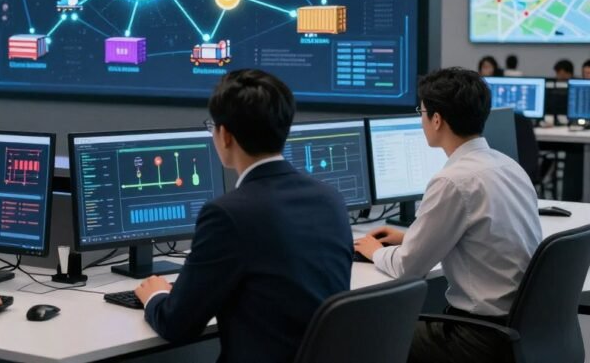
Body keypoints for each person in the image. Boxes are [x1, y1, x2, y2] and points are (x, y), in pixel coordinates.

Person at [133, 69, 352, 362]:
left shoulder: (228, 215)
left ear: (224, 135)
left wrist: (155, 296)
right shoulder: (331, 198)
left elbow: (177, 324)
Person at [355, 67, 542, 363]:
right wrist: (410, 237)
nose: (421, 119)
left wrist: (376, 251)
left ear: (437, 119)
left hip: (477, 338)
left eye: (422, 111)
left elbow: (408, 269)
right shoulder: (508, 166)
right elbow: (487, 236)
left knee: (368, 333)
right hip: (521, 329)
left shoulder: (453, 181)